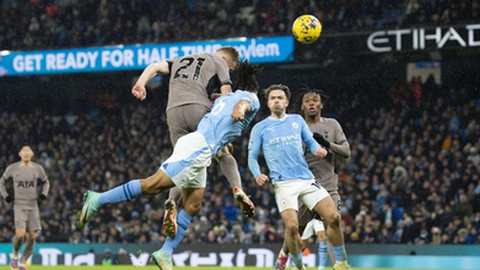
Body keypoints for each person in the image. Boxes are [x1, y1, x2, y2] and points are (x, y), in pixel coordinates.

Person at [75, 61, 263, 270]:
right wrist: (240, 108)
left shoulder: (225, 98)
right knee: (153, 185)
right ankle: (98, 199)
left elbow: (222, 110)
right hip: (198, 148)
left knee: (193, 205)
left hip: (199, 146)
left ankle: (165, 252)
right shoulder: (251, 99)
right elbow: (244, 104)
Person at [131, 46, 255, 238]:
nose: (229, 70)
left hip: (173, 112)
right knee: (224, 153)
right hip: (198, 108)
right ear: (227, 59)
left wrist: (141, 83)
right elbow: (227, 94)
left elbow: (154, 67)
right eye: (231, 68)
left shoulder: (181, 59)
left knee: (180, 163)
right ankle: (237, 189)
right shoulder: (219, 61)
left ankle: (171, 203)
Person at [248, 84, 351, 270]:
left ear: (286, 102)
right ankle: (295, 264)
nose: (276, 101)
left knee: (334, 218)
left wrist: (319, 149)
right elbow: (252, 157)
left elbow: (311, 142)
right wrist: (257, 174)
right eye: (273, 98)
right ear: (268, 103)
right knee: (294, 229)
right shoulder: (260, 127)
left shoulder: (297, 121)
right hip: (284, 184)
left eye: (280, 98)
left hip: (308, 180)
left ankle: (342, 263)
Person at [0, 145, 50, 270]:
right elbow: (1, 181)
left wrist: (44, 194)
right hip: (19, 205)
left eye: (28, 151)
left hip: (33, 205)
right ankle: (15, 255)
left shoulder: (38, 169)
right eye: (24, 151)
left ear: (32, 153)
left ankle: (23, 263)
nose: (26, 153)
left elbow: (46, 182)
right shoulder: (13, 168)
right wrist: (5, 195)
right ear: (20, 154)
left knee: (32, 236)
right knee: (21, 234)